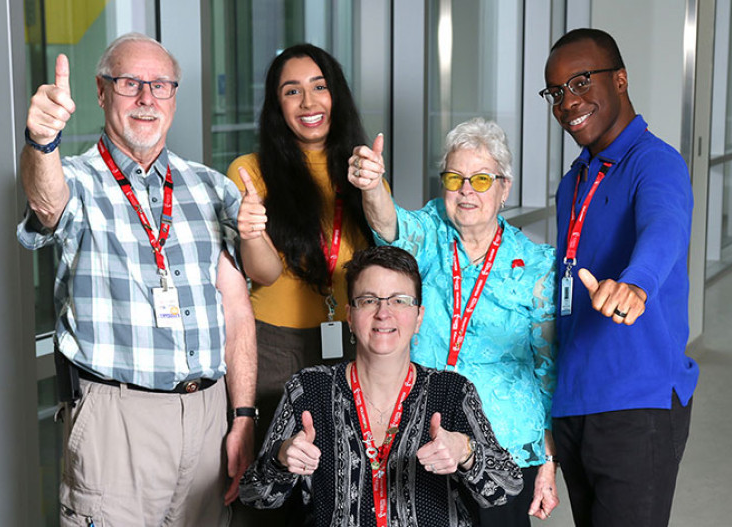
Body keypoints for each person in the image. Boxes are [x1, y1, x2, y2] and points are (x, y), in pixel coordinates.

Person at [16, 33, 256, 526]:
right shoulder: (79, 181)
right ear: (102, 93)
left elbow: (236, 312)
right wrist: (42, 143)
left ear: (174, 96)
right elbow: (46, 200)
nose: (147, 99)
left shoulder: (212, 187)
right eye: (130, 83)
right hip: (117, 421)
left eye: (161, 85)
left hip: (209, 415)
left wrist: (243, 416)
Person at [349, 118, 559, 524]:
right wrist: (373, 186)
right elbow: (390, 227)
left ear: (504, 188)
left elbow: (548, 371)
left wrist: (549, 462)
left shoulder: (535, 265)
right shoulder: (430, 233)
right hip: (423, 434)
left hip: (505, 445)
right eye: (454, 178)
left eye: (481, 180)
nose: (466, 190)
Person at [240, 245, 523, 526]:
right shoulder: (308, 389)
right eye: (368, 300)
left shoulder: (452, 391)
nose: (383, 313)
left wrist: (465, 451)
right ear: (349, 316)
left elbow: (507, 487)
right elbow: (255, 495)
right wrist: (280, 459)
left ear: (419, 317)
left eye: (399, 300)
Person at [539, 28, 698, 527]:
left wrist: (636, 283)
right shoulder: (575, 181)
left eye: (581, 82)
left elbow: (664, 226)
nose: (569, 101)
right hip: (576, 400)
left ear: (621, 79)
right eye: (557, 91)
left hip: (636, 403)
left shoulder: (657, 163)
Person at [226, 44, 379, 451]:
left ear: (337, 95)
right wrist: (252, 231)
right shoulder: (249, 171)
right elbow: (263, 273)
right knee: (274, 472)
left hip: (348, 339)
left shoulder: (361, 168)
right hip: (275, 346)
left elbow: (386, 248)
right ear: (277, 105)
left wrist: (376, 186)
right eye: (292, 91)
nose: (308, 102)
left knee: (338, 475)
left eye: (319, 86)